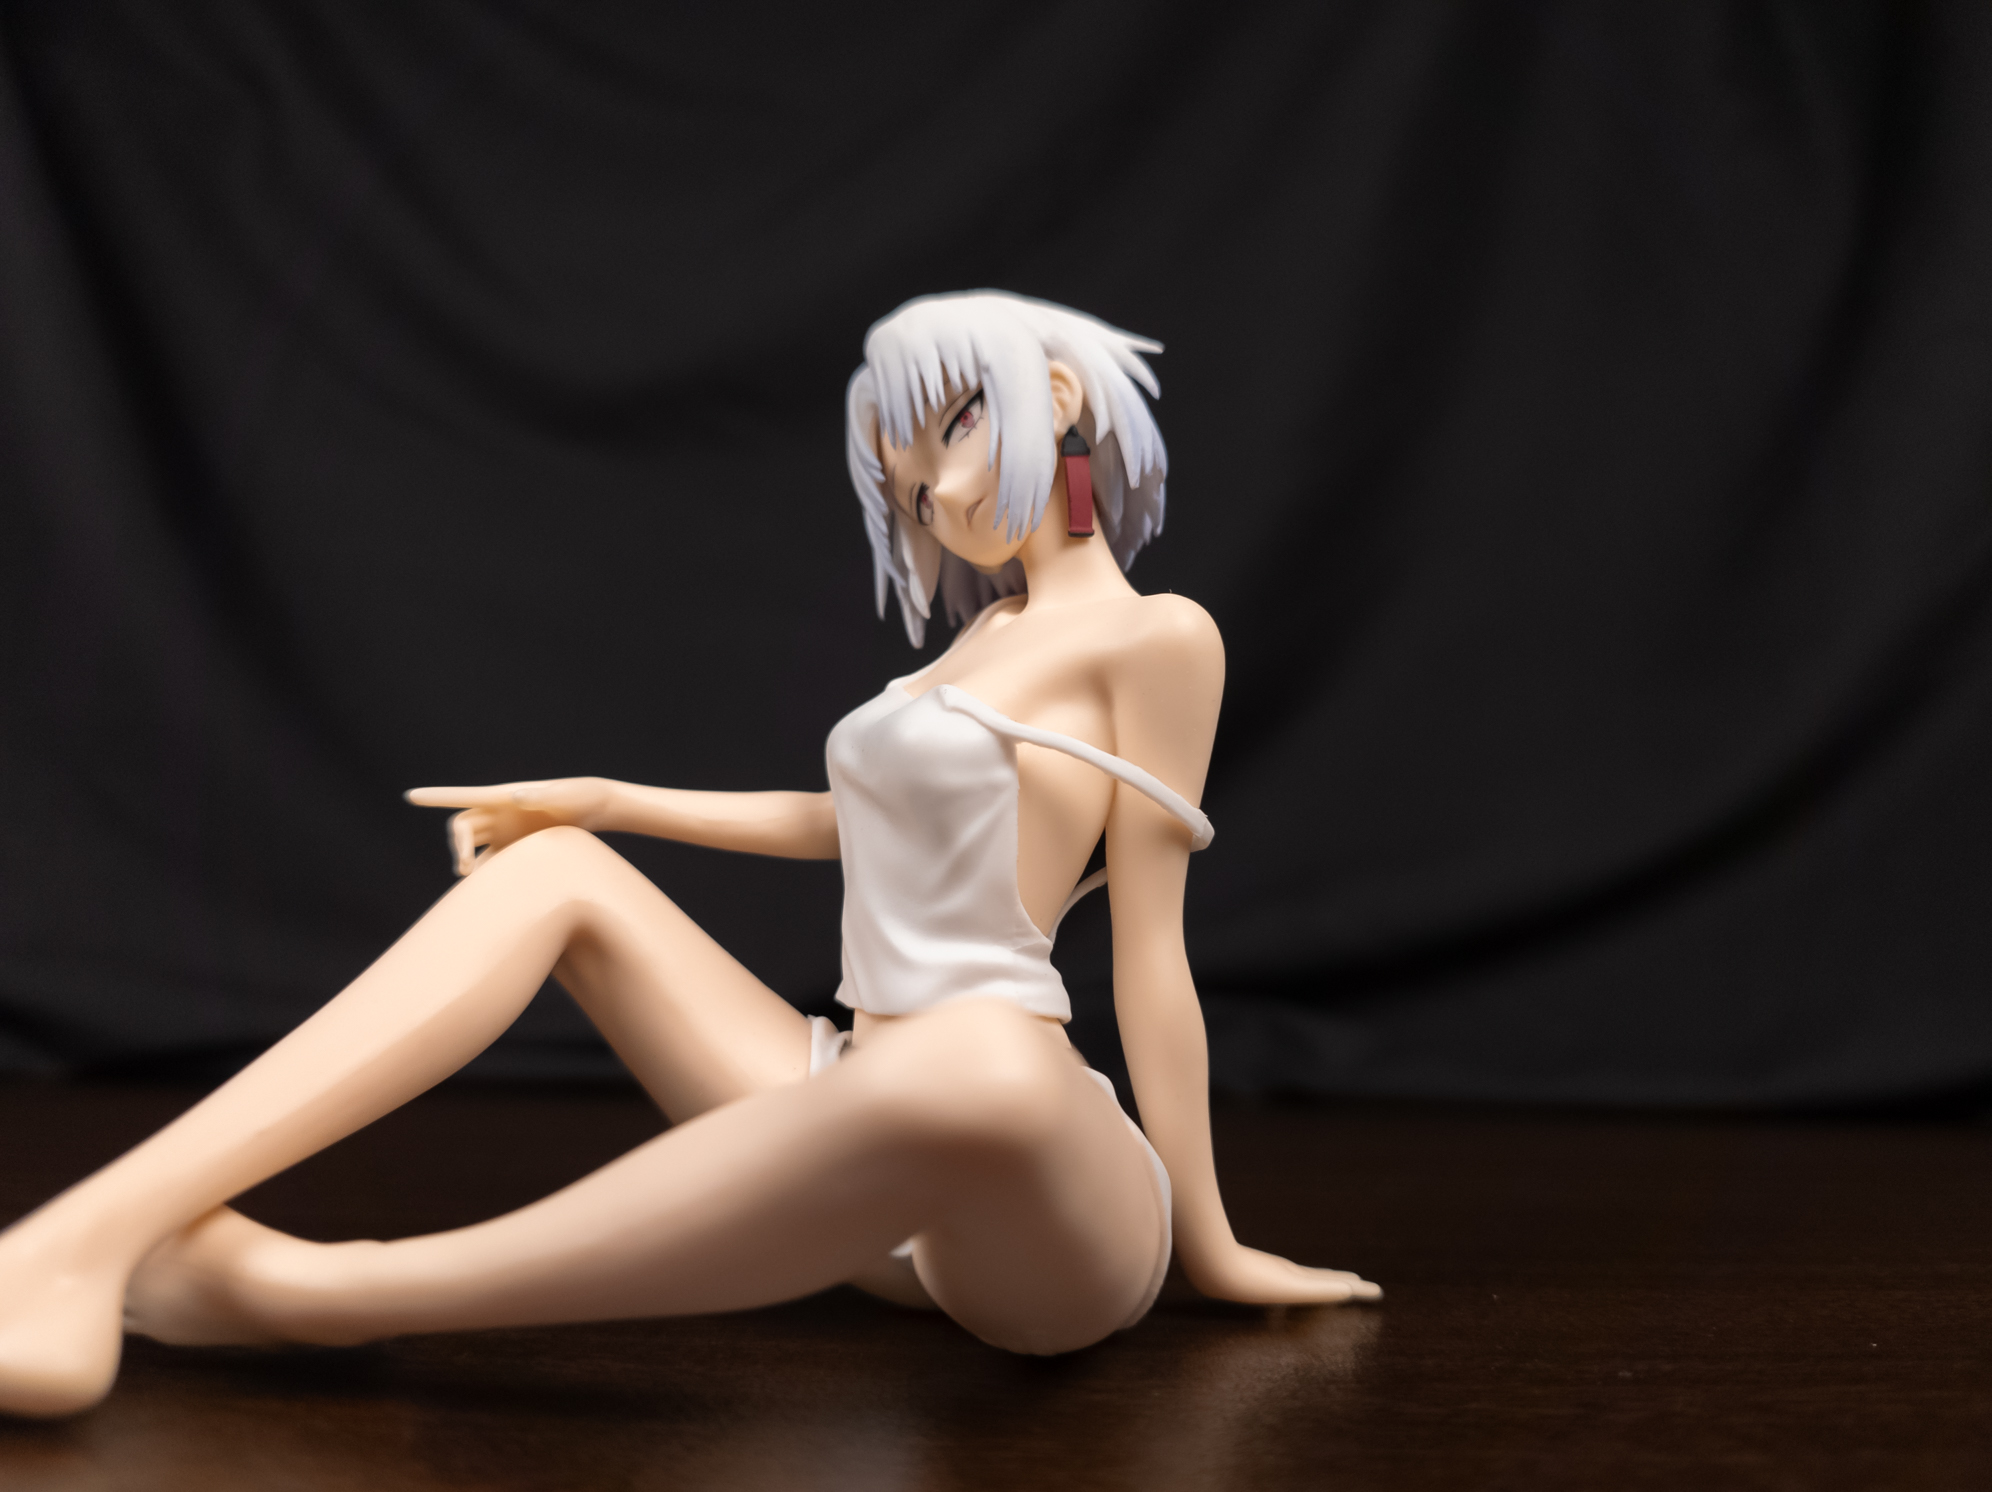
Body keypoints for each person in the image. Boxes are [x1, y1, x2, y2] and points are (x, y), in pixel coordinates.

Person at [0, 291, 1377, 1420]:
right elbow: (857, 826)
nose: (938, 498)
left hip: (1041, 1185)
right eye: (908, 483)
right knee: (557, 876)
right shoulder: (983, 639)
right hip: (861, 1104)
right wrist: (608, 804)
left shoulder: (1159, 640)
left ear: (1057, 399)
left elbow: (1152, 955)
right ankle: (72, 1244)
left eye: (952, 436)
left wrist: (1211, 1247)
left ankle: (310, 1296)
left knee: (978, 1068)